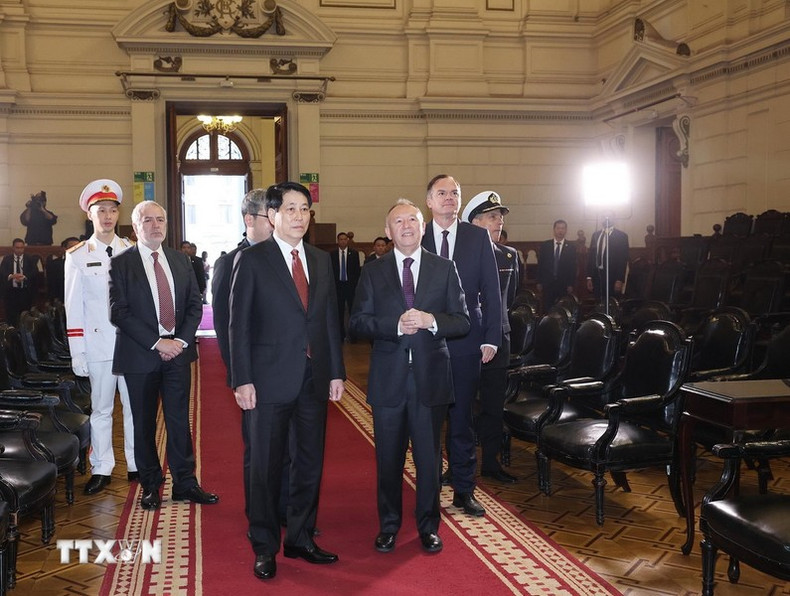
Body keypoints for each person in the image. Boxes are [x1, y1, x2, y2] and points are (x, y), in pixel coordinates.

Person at [229, 182, 345, 582]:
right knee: (265, 466)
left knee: (309, 464)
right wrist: (242, 379)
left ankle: (300, 537)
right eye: (290, 209)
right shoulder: (252, 259)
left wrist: (336, 371)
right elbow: (238, 325)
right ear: (273, 215)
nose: (299, 216)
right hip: (267, 381)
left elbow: (329, 320)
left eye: (304, 209)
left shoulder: (320, 260)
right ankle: (264, 546)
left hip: (314, 378)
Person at [350, 199, 469, 555]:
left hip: (431, 380)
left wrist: (432, 321)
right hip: (389, 380)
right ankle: (389, 526)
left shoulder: (444, 268)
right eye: (398, 221)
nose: (406, 226)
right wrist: (394, 326)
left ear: (423, 226)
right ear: (387, 231)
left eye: (412, 220)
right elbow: (357, 322)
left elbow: (462, 321)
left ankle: (428, 527)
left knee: (429, 461)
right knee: (388, 459)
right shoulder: (373, 271)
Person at [109, 201, 218, 511]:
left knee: (179, 421)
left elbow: (195, 304)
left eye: (160, 219)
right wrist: (158, 343)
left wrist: (180, 341)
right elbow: (119, 312)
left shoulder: (181, 261)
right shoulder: (121, 263)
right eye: (148, 220)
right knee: (143, 424)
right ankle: (151, 485)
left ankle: (185, 483)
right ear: (135, 227)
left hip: (178, 354)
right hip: (141, 355)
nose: (155, 225)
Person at [421, 174, 501, 517]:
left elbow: (492, 291)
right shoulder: (416, 234)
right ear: (429, 201)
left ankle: (464, 489)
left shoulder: (477, 237)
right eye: (442, 193)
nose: (449, 198)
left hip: (468, 340)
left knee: (463, 418)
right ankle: (428, 490)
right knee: (428, 419)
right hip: (425, 342)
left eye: (454, 193)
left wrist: (492, 337)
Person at [64, 179, 137, 495]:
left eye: (112, 210)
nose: (108, 216)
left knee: (135, 409)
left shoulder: (132, 250)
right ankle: (102, 468)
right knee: (102, 409)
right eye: (101, 210)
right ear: (90, 215)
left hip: (132, 345)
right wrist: (77, 350)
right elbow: (73, 307)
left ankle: (136, 464)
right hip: (97, 344)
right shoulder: (78, 255)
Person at [211, 188, 273, 519]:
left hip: (286, 370)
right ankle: (259, 515)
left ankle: (285, 511)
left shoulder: (287, 257)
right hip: (254, 376)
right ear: (249, 219)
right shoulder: (230, 262)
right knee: (259, 449)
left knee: (289, 448)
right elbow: (225, 327)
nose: (276, 222)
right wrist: (240, 377)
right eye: (269, 216)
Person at [462, 191, 520, 484]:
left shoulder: (509, 255)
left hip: (499, 339)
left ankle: (491, 463)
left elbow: (510, 298)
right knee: (461, 405)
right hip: (466, 338)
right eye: (492, 217)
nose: (499, 222)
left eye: (500, 217)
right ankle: (458, 464)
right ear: (474, 223)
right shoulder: (458, 254)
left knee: (494, 405)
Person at [586, 216, 630, 302]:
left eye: (609, 216)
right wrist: (589, 277)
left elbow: (623, 259)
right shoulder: (595, 235)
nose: (607, 219)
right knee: (598, 302)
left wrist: (619, 279)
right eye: (604, 216)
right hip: (597, 276)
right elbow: (591, 257)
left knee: (612, 303)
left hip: (613, 276)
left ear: (614, 219)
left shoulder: (621, 236)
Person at [537, 219, 577, 311]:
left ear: (566, 230)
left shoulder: (571, 247)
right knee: (548, 308)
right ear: (554, 229)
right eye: (558, 228)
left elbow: (572, 267)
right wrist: (539, 281)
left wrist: (570, 284)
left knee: (562, 309)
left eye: (563, 228)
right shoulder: (545, 245)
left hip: (563, 283)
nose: (560, 231)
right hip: (548, 282)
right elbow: (541, 264)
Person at [1, 238, 40, 326]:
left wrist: (24, 277)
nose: (19, 250)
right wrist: (11, 276)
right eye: (17, 248)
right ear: (13, 248)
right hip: (11, 292)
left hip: (25, 292)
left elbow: (34, 272)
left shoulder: (30, 259)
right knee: (11, 316)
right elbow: (2, 272)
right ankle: (12, 331)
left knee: (25, 315)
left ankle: (25, 333)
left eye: (21, 248)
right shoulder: (7, 259)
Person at [330, 232, 361, 341]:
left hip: (350, 286)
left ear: (347, 240)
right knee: (339, 311)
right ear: (337, 241)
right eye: (341, 239)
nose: (343, 241)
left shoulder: (354, 253)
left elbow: (357, 271)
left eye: (344, 239)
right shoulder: (332, 254)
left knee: (352, 310)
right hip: (338, 286)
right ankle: (340, 335)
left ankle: (353, 335)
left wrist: (356, 286)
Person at [46, 236, 80, 302]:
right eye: (72, 247)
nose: (75, 249)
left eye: (78, 247)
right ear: (65, 249)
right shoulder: (54, 264)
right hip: (62, 297)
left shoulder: (85, 263)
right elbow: (52, 284)